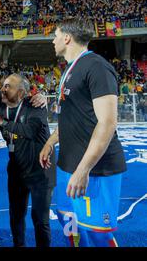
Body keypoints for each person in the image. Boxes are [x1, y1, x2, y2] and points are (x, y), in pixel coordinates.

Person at [39, 18, 126, 247]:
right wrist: (50, 142)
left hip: (94, 170)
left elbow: (107, 122)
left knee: (97, 233)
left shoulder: (96, 66)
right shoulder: (71, 68)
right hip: (69, 165)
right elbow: (72, 117)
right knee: (68, 221)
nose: (53, 40)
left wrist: (83, 169)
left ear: (67, 38)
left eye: (56, 35)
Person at [0, 74, 55, 247]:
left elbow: (30, 131)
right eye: (3, 85)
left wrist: (1, 122)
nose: (3, 89)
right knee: (16, 215)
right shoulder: (1, 110)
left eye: (8, 86)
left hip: (41, 171)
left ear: (21, 92)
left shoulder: (35, 105)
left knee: (40, 219)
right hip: (16, 171)